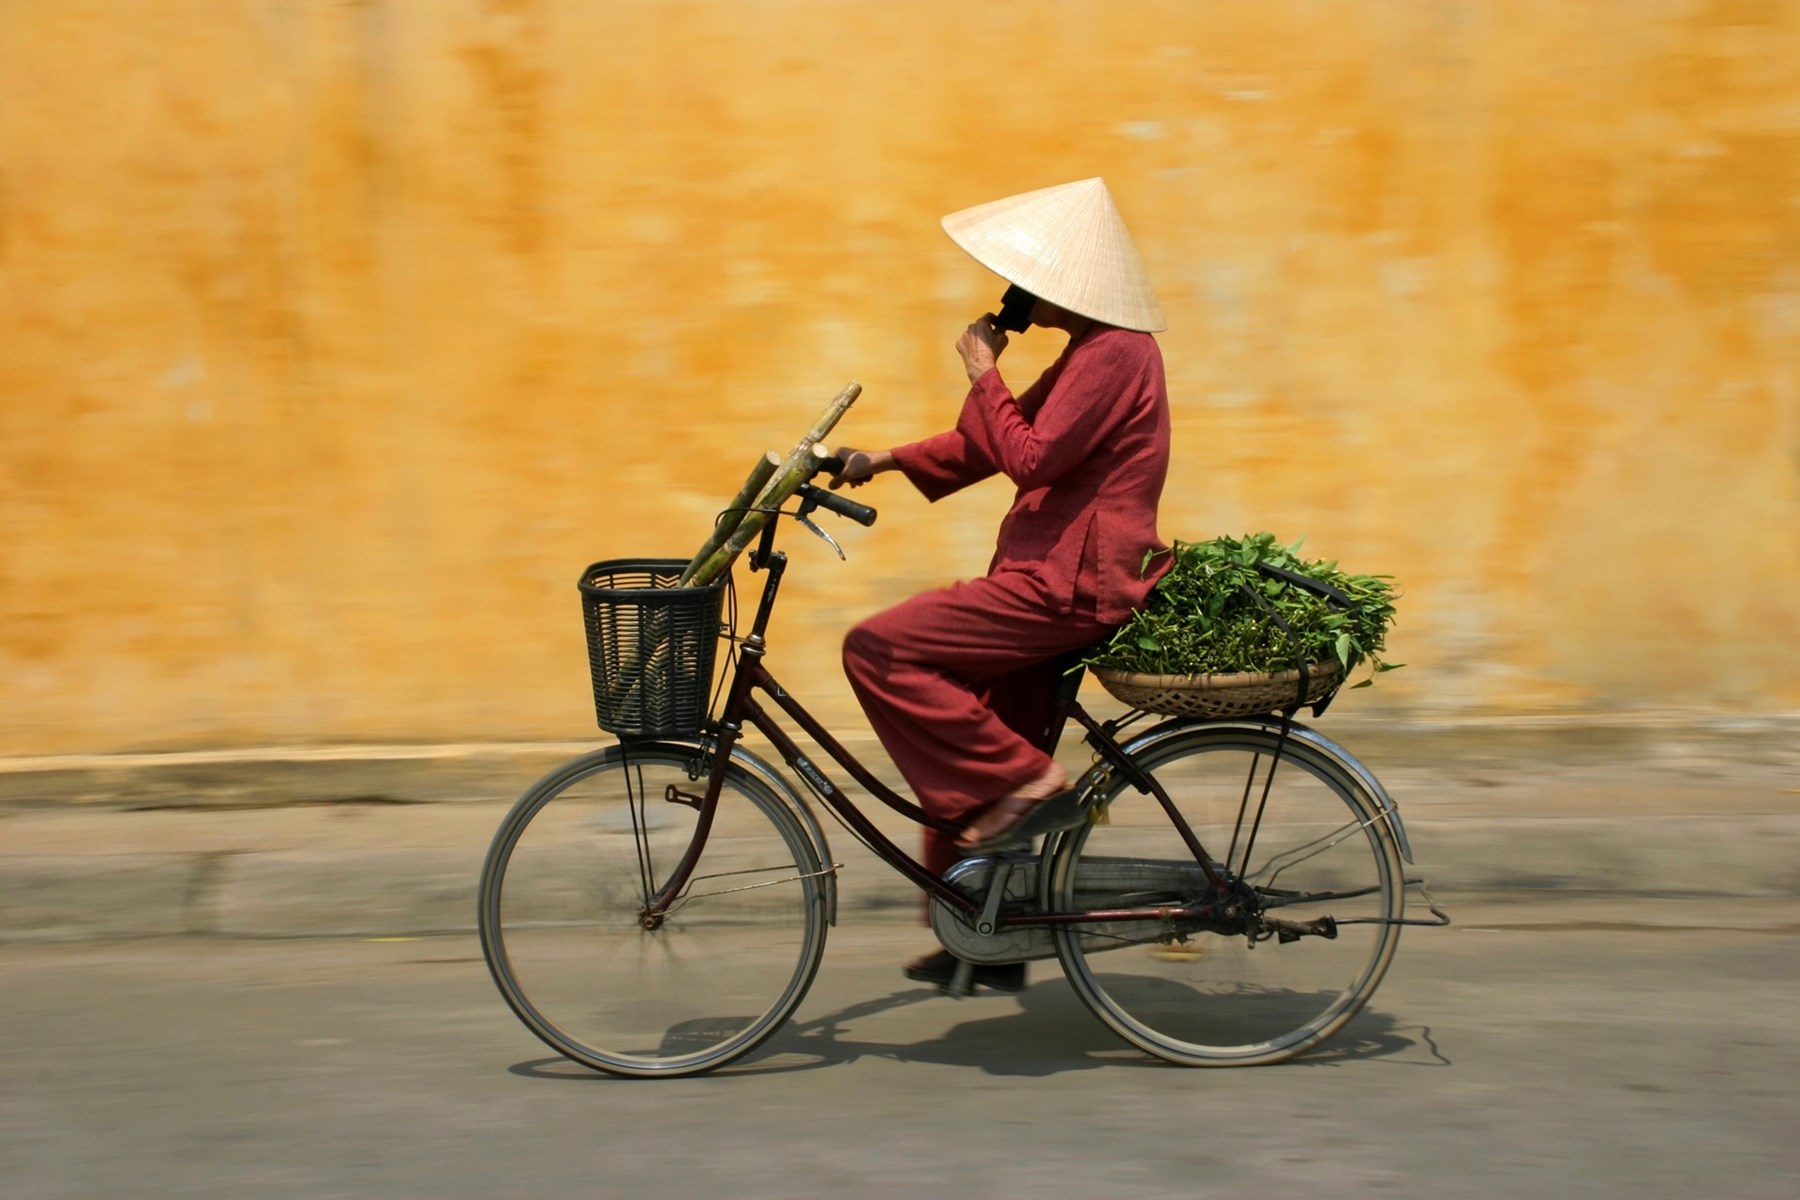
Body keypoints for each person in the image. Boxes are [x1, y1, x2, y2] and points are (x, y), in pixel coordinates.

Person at [830, 178, 1174, 991]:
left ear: (1065, 285)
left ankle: (1027, 786)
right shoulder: (1087, 354)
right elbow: (991, 441)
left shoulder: (1119, 352)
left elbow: (1027, 457)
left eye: (1030, 278)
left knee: (880, 651)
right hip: (1050, 579)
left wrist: (982, 366)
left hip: (1069, 586)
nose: (1016, 291)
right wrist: (877, 462)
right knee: (968, 735)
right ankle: (983, 941)